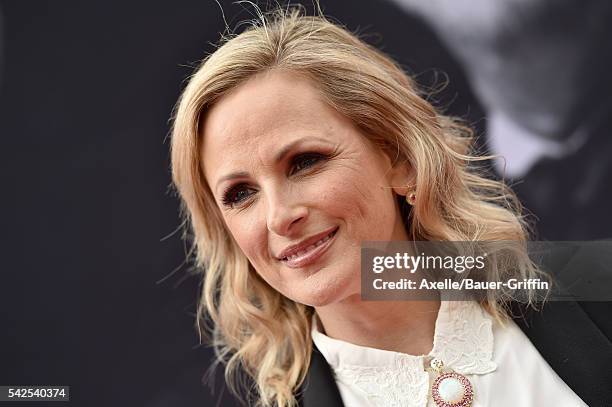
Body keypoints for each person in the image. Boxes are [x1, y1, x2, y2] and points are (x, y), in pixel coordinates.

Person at [169, 7, 610, 407]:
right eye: (240, 194)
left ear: (399, 159)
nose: (279, 216)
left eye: (305, 162)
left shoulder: (598, 284)